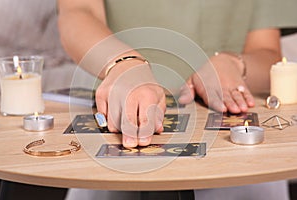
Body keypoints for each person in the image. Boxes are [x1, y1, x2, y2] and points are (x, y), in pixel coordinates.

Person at [57, 1, 296, 200]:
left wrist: (234, 63)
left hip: (239, 161)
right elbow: (78, 10)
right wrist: (122, 63)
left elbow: (268, 54)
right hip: (114, 148)